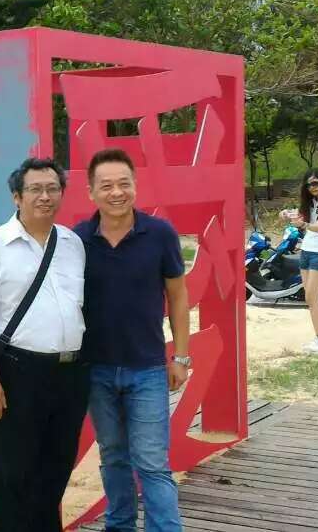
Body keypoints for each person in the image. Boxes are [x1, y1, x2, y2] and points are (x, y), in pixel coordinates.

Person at [0, 157, 89, 531]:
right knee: (13, 474)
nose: (44, 196)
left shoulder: (73, 244)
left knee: (56, 468)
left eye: (52, 188)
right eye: (35, 189)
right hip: (18, 373)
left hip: (69, 374)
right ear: (17, 196)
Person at [73, 148, 190, 532]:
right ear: (91, 192)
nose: (116, 192)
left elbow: (178, 296)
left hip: (148, 369)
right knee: (113, 458)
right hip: (96, 369)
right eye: (106, 186)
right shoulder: (78, 239)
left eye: (124, 184)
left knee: (153, 462)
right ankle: (119, 526)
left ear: (135, 187)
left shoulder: (160, 234)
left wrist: (181, 357)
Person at [285, 168, 318, 355]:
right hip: (306, 250)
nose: (312, 187)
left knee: (313, 297)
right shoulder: (311, 203)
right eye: (309, 185)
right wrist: (287, 215)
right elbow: (298, 218)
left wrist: (303, 224)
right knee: (309, 298)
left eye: (315, 183)